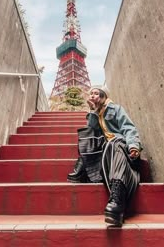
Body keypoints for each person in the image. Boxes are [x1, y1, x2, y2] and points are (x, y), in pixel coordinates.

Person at [67, 85, 142, 227]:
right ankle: (81, 169)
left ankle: (117, 201)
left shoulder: (116, 109)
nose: (93, 96)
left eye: (96, 93)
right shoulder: (96, 112)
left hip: (120, 146)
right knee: (88, 135)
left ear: (103, 96)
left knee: (114, 143)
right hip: (106, 149)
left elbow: (129, 128)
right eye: (91, 94)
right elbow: (92, 129)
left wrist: (133, 146)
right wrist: (92, 110)